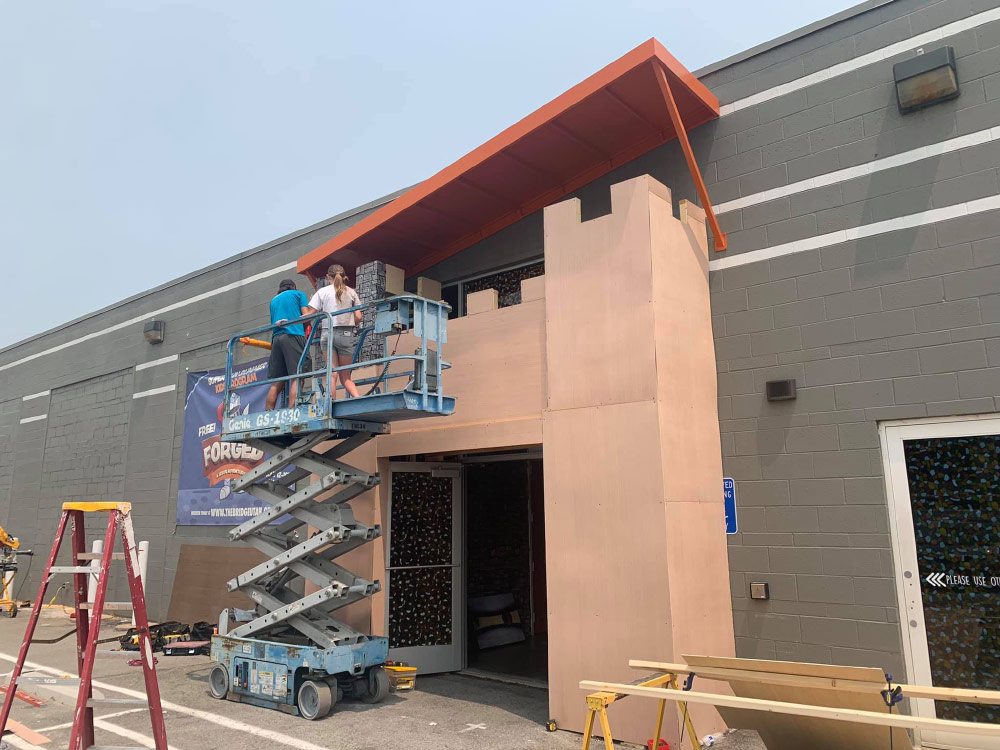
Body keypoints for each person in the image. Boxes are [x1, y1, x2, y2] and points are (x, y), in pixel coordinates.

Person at [306, 264, 362, 399]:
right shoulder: (351, 292)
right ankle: (358, 399)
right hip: (346, 334)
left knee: (332, 373)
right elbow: (358, 317)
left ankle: (331, 402)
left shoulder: (322, 292)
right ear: (343, 276)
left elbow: (309, 315)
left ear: (328, 276)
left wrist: (289, 321)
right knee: (346, 377)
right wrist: (350, 323)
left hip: (328, 333)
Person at [265, 279, 310, 410]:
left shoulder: (273, 301)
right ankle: (292, 410)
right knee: (298, 376)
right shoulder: (299, 294)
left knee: (277, 381)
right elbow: (306, 316)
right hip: (293, 334)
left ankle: (268, 412)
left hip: (276, 338)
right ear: (293, 287)